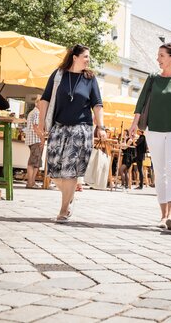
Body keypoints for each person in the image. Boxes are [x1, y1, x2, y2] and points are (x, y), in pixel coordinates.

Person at [129, 42, 171, 230]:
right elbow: (140, 103)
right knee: (160, 172)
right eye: (158, 55)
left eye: (161, 55)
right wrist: (134, 125)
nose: (158, 59)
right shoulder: (153, 78)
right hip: (154, 130)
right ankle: (162, 216)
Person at [37, 44, 106, 222]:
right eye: (85, 56)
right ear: (74, 57)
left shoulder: (90, 78)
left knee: (70, 170)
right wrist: (41, 123)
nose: (88, 60)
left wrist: (102, 127)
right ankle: (69, 196)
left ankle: (64, 209)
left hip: (80, 128)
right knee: (53, 169)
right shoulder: (59, 75)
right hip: (58, 127)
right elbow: (44, 100)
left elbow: (97, 104)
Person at [25, 95, 43, 189]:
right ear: (37, 103)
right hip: (35, 139)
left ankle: (32, 182)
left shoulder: (33, 112)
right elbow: (36, 127)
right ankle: (30, 183)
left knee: (36, 162)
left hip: (32, 139)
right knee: (33, 162)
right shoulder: (37, 112)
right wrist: (43, 138)